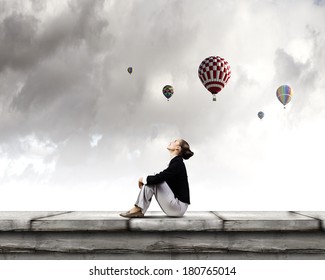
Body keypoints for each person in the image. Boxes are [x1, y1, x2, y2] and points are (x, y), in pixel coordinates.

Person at [120, 139, 194, 218]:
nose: (171, 141)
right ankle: (138, 209)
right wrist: (146, 181)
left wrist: (142, 179)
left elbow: (160, 177)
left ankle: (138, 209)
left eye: (175, 141)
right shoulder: (176, 162)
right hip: (176, 207)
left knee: (155, 180)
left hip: (178, 207)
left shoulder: (178, 163)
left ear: (178, 148)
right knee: (152, 181)